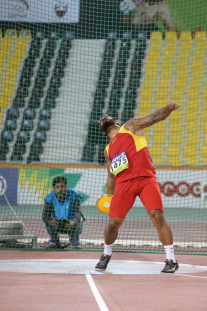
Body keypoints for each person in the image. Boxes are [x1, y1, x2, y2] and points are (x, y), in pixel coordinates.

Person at [95, 101, 180, 273]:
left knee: (157, 217)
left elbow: (154, 118)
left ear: (116, 121)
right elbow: (111, 176)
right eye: (101, 120)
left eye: (106, 117)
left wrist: (168, 109)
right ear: (104, 132)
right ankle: (106, 254)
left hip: (146, 179)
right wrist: (109, 197)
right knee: (113, 223)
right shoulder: (108, 150)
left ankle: (171, 259)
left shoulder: (131, 126)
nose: (103, 118)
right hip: (124, 184)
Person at [42, 176, 84, 249]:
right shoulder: (49, 197)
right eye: (57, 187)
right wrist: (51, 222)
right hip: (56, 224)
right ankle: (54, 241)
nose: (60, 190)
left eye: (62, 187)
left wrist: (73, 222)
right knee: (48, 218)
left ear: (66, 187)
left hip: (70, 224)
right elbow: (44, 216)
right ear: (53, 189)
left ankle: (75, 242)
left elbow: (77, 213)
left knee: (79, 220)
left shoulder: (74, 195)